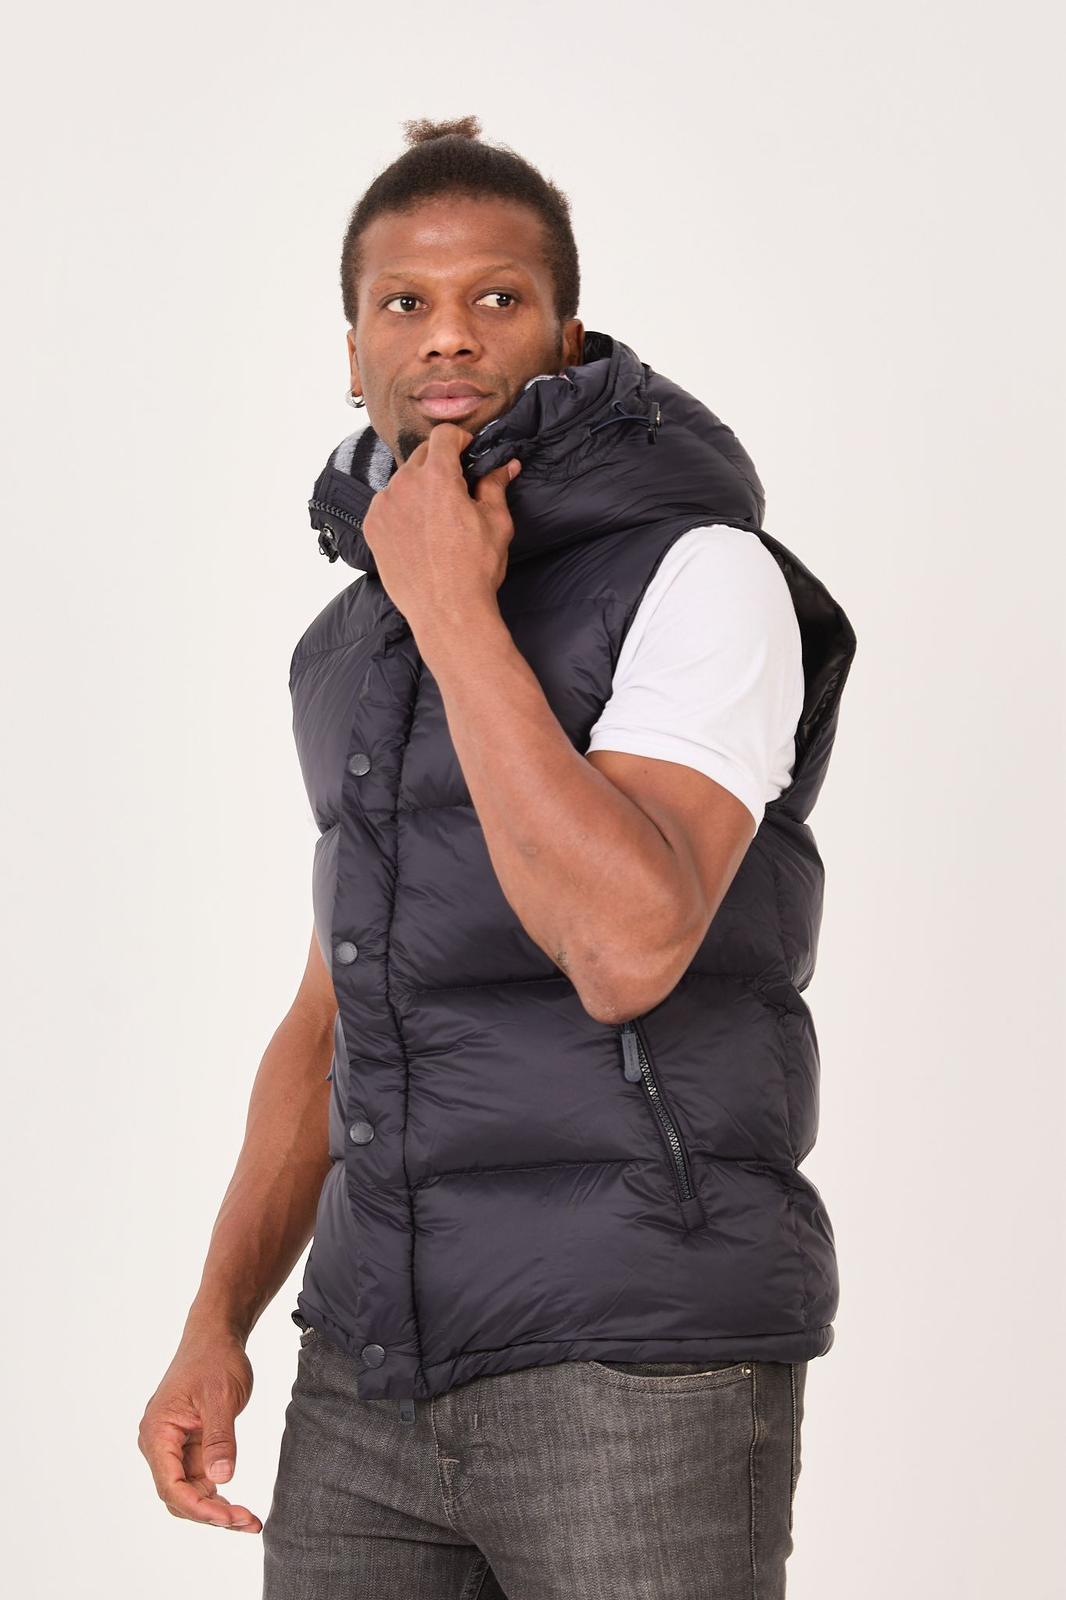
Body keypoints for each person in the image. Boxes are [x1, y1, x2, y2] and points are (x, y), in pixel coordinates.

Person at [138, 114, 857, 1599]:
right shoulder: (347, 647)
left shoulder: (700, 574)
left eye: (497, 298)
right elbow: (336, 1014)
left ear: (567, 336)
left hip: (634, 1362)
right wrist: (217, 1321)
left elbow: (625, 949)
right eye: (403, 301)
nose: (448, 336)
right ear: (352, 353)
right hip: (367, 1370)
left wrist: (458, 610)